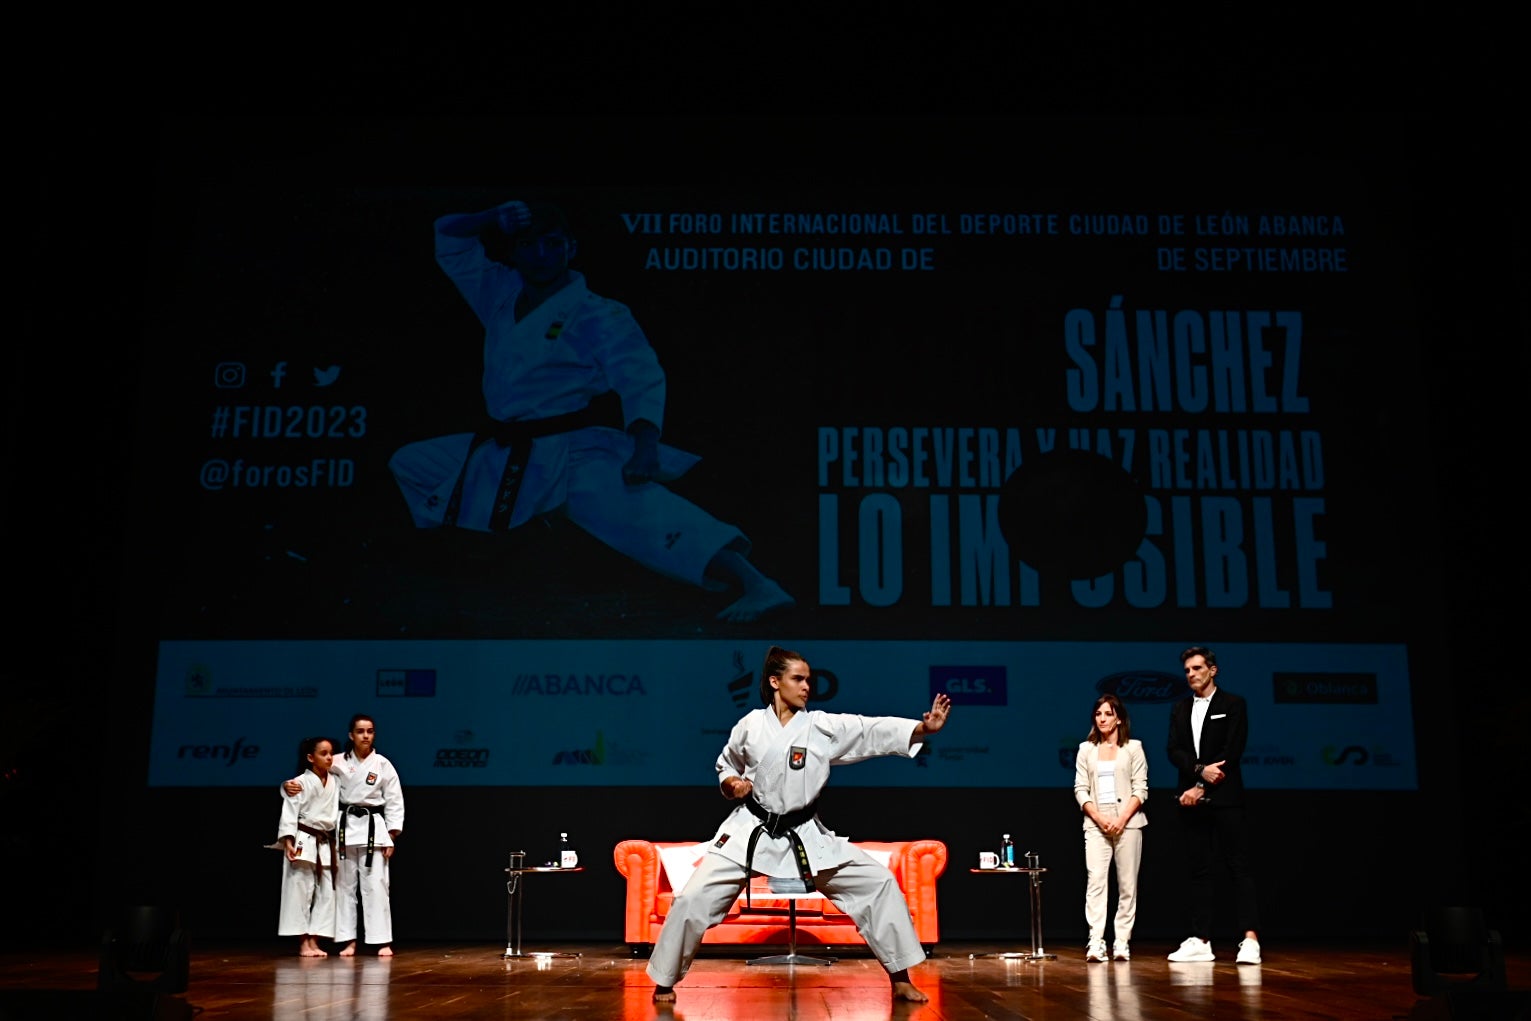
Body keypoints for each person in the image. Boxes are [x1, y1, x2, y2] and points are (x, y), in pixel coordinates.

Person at [387, 197, 794, 624]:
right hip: (506, 448)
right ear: (513, 251)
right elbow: (449, 238)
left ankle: (759, 585)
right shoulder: (499, 292)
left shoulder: (600, 313)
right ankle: (485, 550)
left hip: (568, 454)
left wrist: (645, 446)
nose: (541, 255)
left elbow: (640, 377)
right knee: (412, 462)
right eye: (528, 244)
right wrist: (489, 218)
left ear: (571, 247)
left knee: (650, 519)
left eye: (552, 243)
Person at [647, 645, 951, 1004]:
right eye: (798, 679)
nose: (807, 686)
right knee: (692, 899)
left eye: (809, 680)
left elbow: (868, 729)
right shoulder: (749, 726)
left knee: (879, 883)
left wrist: (920, 728)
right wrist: (732, 784)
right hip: (751, 831)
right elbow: (726, 765)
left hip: (804, 835)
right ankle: (664, 981)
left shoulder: (821, 726)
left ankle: (900, 977)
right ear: (775, 682)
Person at [1165, 645, 1261, 965]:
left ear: (1213, 670)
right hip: (1191, 801)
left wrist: (1203, 783)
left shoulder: (1233, 704)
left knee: (1239, 866)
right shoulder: (1179, 708)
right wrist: (1196, 776)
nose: (1191, 674)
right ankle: (1200, 940)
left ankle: (1249, 939)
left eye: (1197, 668)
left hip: (1226, 798)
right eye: (1188, 670)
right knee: (1199, 870)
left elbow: (1231, 752)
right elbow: (1174, 750)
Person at [285, 714, 405, 956]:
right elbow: (313, 777)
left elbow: (394, 800)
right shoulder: (337, 761)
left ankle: (381, 940)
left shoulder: (382, 764)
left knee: (377, 886)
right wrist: (289, 785)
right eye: (360, 731)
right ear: (351, 735)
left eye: (370, 731)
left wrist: (391, 834)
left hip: (374, 828)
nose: (365, 736)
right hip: (344, 828)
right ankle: (348, 939)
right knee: (344, 887)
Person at [1073, 693, 1147, 963]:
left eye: (1107, 713)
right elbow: (1081, 789)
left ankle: (1122, 941)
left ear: (1118, 717)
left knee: (1127, 885)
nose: (1102, 718)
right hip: (1096, 824)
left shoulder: (1133, 748)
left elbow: (1141, 789)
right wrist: (1098, 816)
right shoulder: (1086, 749)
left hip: (1128, 823)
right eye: (1098, 714)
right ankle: (1096, 940)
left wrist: (1122, 818)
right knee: (1096, 882)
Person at [277, 736, 340, 957]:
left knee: (327, 893)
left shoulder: (336, 780)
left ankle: (315, 939)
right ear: (310, 758)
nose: (329, 757)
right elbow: (290, 812)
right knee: (299, 892)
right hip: (304, 837)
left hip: (325, 841)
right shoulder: (299, 783)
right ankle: (303, 942)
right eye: (323, 753)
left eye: (331, 753)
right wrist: (288, 841)